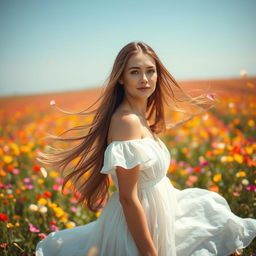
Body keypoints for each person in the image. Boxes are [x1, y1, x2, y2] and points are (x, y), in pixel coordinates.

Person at [35, 41, 256, 256]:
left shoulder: (140, 117)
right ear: (121, 78)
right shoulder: (127, 121)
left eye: (150, 71)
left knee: (213, 218)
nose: (144, 79)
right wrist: (149, 252)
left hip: (162, 213)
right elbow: (128, 198)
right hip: (141, 227)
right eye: (134, 72)